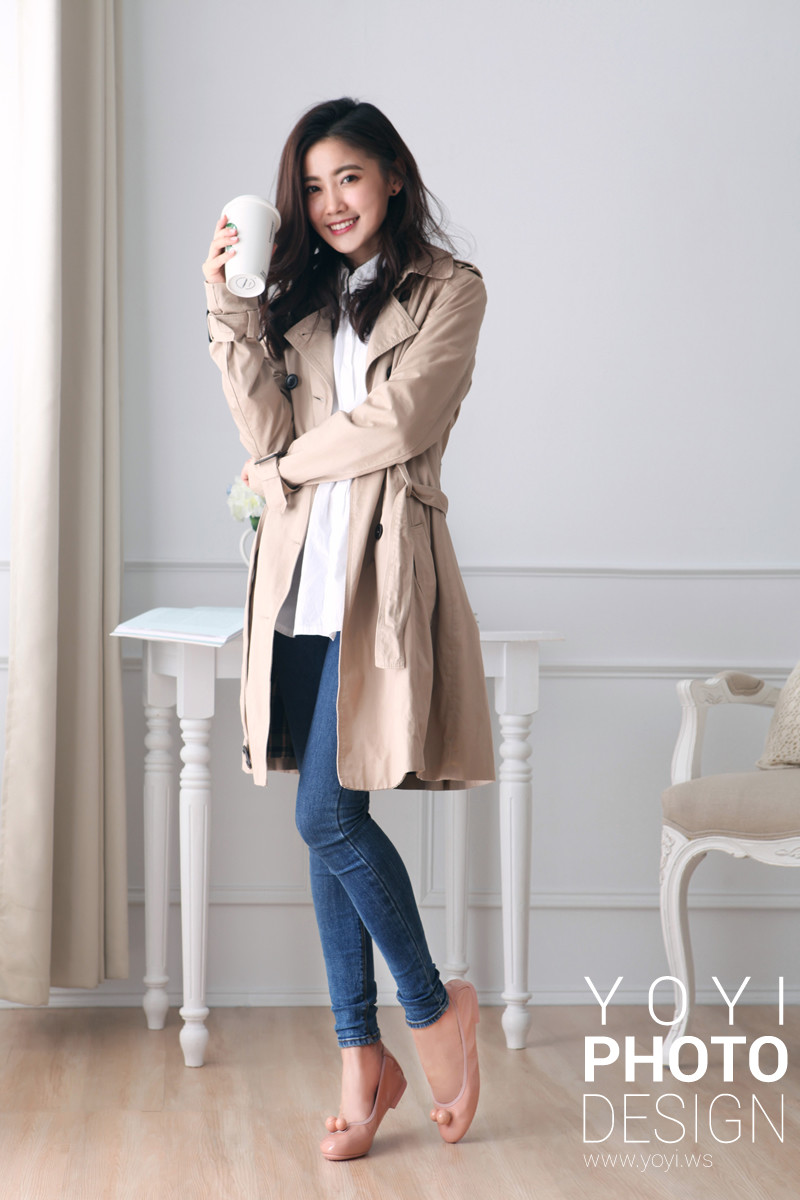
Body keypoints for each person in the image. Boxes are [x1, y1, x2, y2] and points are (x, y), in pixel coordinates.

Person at [203, 97, 494, 1161]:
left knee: (325, 816)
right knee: (330, 821)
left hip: (380, 580)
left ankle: (429, 1009)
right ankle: (358, 1060)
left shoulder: (449, 290)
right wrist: (229, 311)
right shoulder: (303, 304)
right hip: (297, 583)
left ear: (393, 178)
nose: (331, 203)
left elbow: (400, 422)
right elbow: (265, 431)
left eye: (350, 179)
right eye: (314, 186)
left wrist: (281, 468)